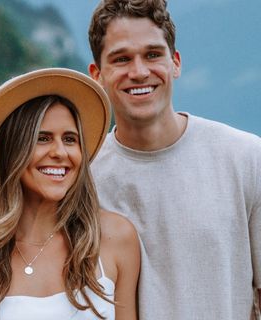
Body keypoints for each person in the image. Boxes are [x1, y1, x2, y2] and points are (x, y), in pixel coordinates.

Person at [88, 0, 261, 319]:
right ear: (97, 74)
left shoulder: (247, 159)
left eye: (153, 55)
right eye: (122, 59)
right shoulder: (83, 182)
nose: (139, 72)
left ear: (175, 63)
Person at [0, 68, 140, 320]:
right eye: (42, 138)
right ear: (10, 151)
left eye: (70, 139)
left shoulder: (116, 238)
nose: (60, 152)